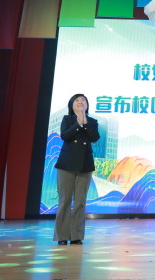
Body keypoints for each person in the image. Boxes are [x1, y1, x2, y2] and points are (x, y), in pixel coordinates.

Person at [53, 93, 100, 245]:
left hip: (85, 164)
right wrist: (78, 124)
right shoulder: (67, 119)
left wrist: (85, 123)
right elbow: (65, 136)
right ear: (71, 105)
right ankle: (62, 236)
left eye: (83, 101)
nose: (80, 102)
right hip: (66, 164)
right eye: (77, 101)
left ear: (87, 105)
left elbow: (94, 137)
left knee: (80, 202)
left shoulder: (92, 121)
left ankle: (76, 236)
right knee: (64, 201)